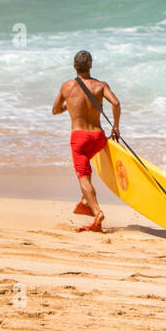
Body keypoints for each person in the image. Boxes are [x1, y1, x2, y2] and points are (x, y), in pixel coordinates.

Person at [51, 50, 121, 232]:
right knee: (87, 171)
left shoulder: (66, 86)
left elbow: (55, 110)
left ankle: (97, 211)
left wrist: (70, 105)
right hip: (98, 138)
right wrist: (115, 127)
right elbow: (116, 103)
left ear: (75, 66)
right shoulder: (101, 85)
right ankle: (85, 201)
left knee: (82, 176)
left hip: (79, 138)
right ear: (90, 65)